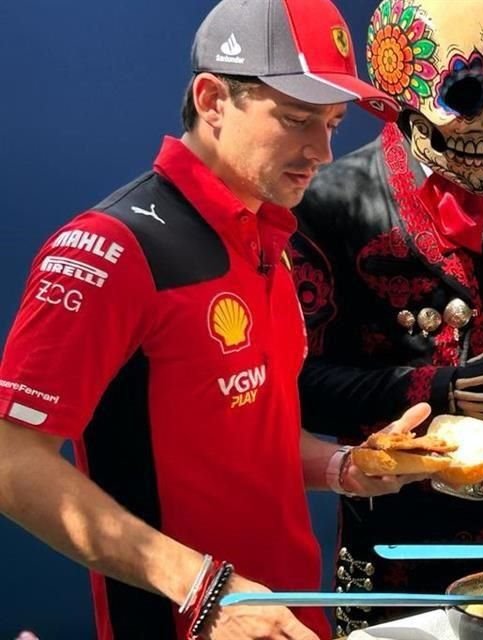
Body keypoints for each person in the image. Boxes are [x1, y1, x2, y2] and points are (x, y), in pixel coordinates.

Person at [0, 1, 423, 638]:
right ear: (212, 98)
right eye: (297, 119)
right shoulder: (111, 249)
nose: (321, 150)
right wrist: (199, 586)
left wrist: (345, 468)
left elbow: (245, 440)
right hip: (180, 620)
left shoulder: (268, 238)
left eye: (333, 123)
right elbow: (11, 462)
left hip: (289, 610)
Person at [292, 0, 483, 631]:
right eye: (467, 94)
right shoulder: (331, 202)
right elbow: (300, 388)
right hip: (403, 547)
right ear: (402, 101)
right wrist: (442, 390)